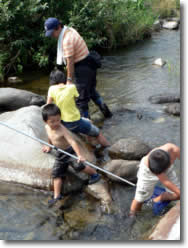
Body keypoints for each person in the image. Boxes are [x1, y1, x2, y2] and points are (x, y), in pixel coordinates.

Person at [44, 17, 112, 119]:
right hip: (89, 63)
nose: (52, 36)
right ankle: (107, 113)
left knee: (81, 100)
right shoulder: (69, 30)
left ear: (58, 27)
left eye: (52, 33)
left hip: (83, 68)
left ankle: (87, 126)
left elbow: (70, 63)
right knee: (91, 91)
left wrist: (69, 81)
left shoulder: (67, 40)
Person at [41, 103, 101, 207]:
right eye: (52, 121)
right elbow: (50, 138)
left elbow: (73, 142)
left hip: (69, 152)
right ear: (45, 121)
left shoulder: (62, 129)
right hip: (60, 154)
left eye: (58, 120)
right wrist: (49, 147)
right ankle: (57, 196)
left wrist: (79, 155)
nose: (56, 123)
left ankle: (95, 174)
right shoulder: (47, 127)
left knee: (79, 166)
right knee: (56, 174)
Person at [47, 68, 110, 148]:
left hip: (62, 122)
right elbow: (76, 98)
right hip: (75, 121)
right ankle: (108, 148)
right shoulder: (72, 87)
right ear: (63, 78)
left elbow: (48, 106)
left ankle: (91, 145)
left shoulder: (51, 89)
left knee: (88, 121)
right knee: (98, 133)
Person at [129, 143, 180, 216]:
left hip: (163, 166)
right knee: (139, 198)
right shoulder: (154, 168)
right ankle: (132, 214)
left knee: (177, 195)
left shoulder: (172, 149)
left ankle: (158, 199)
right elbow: (166, 182)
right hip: (147, 172)